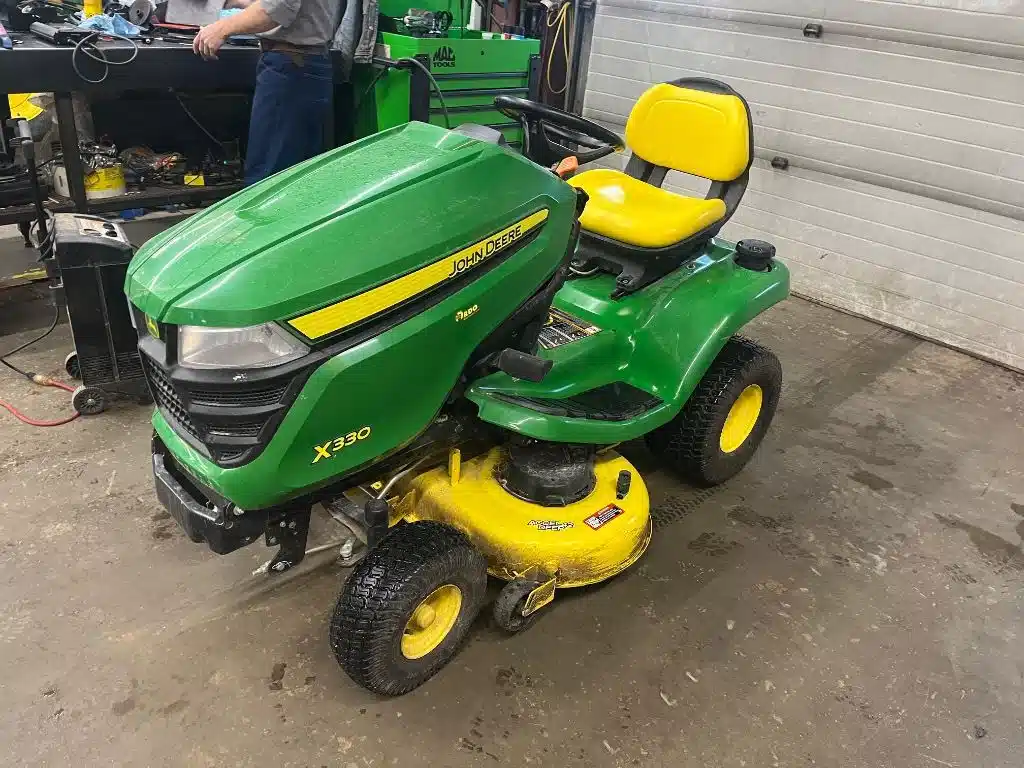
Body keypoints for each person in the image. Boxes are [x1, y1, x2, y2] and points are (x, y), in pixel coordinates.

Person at [193, 0, 342, 185]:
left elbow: (276, 9)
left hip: (292, 68)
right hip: (302, 64)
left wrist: (220, 28)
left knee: (269, 180)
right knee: (296, 180)